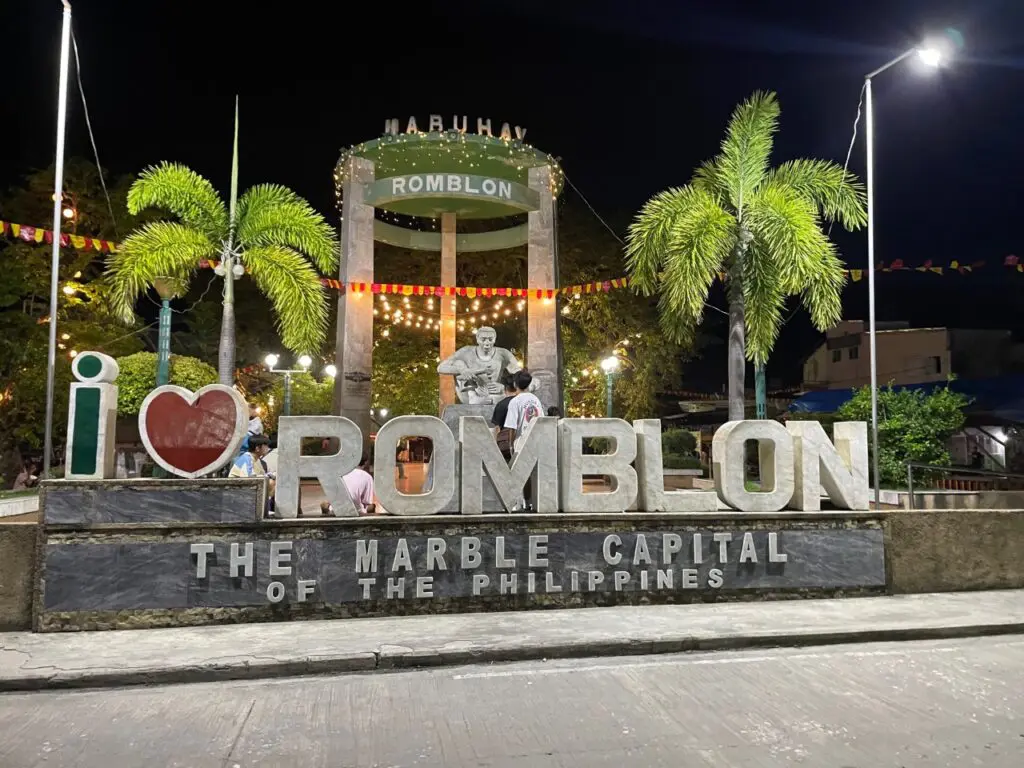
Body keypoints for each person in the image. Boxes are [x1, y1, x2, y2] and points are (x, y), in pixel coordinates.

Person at [437, 326, 522, 404]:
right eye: (483, 339)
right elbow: (441, 368)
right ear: (477, 339)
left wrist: (505, 387)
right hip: (471, 394)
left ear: (495, 339)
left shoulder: (503, 353)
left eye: (490, 339)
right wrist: (462, 370)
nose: (487, 343)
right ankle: (473, 396)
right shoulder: (466, 351)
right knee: (458, 363)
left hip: (493, 392)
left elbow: (519, 375)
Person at [504, 370, 544, 511]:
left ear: (515, 384)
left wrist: (510, 444)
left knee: (519, 474)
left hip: (522, 441)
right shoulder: (536, 400)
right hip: (537, 440)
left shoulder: (515, 401)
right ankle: (531, 502)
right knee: (534, 474)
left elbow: (512, 427)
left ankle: (519, 504)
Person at [229, 435, 276, 518]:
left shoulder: (257, 459)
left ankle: (265, 509)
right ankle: (263, 510)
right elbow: (250, 478)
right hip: (238, 491)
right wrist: (268, 476)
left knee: (273, 482)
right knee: (271, 483)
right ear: (257, 448)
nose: (267, 448)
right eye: (265, 446)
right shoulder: (247, 458)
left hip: (247, 489)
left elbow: (262, 474)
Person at [490, 375, 518, 460]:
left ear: (505, 389)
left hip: (506, 446)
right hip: (522, 443)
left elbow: (497, 429)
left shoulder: (501, 405)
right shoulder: (521, 402)